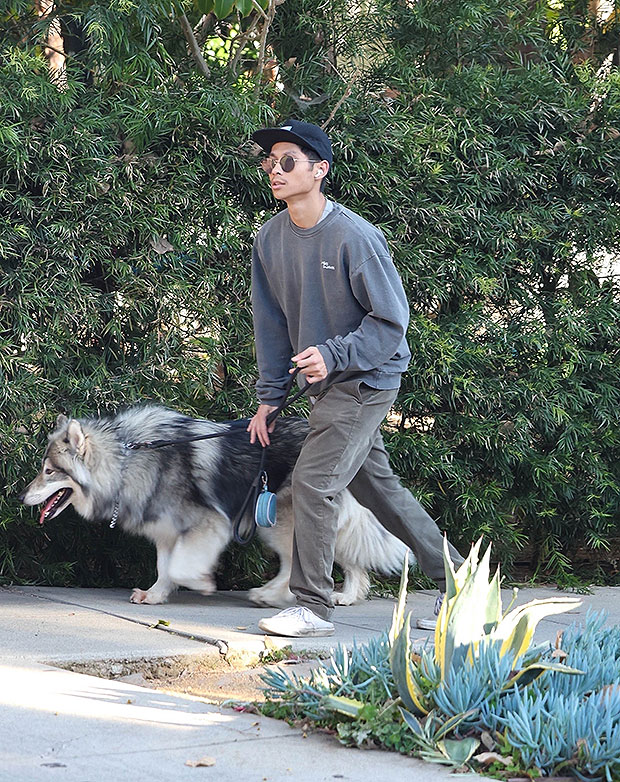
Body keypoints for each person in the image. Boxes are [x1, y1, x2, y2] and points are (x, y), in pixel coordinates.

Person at [247, 119, 464, 637]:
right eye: (268, 162)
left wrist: (333, 353)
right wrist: (270, 397)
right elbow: (271, 325)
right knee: (379, 490)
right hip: (327, 378)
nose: (273, 170)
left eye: (287, 161)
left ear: (319, 170)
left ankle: (312, 605)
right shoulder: (270, 238)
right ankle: (462, 582)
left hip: (368, 375)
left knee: (315, 482)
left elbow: (390, 321)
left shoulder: (355, 236)